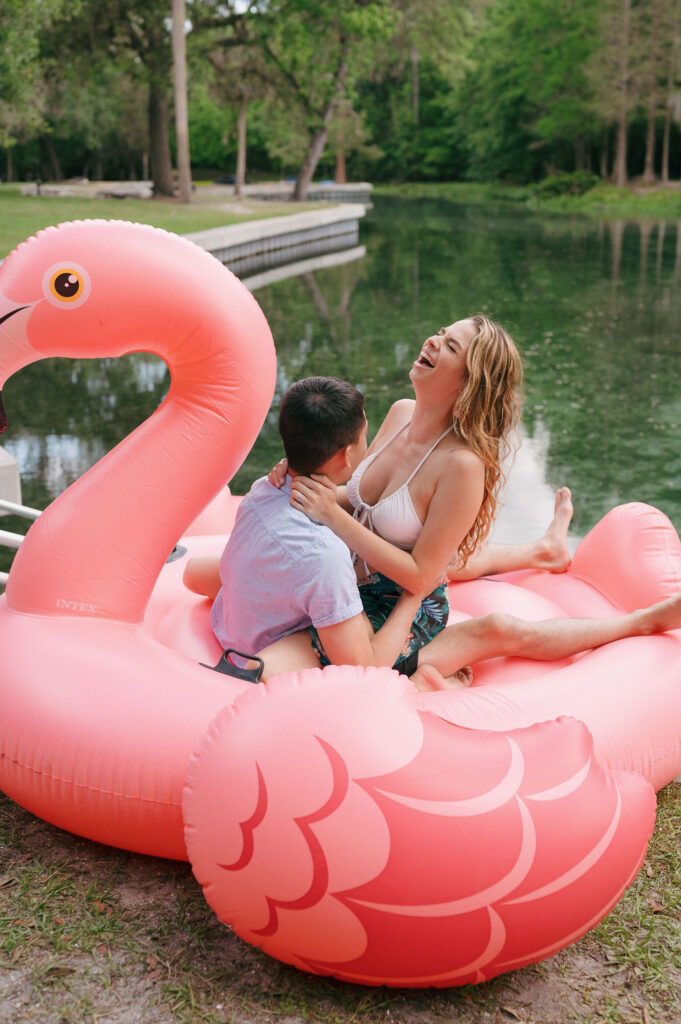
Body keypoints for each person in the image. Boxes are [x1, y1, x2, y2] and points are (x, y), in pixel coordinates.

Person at [187, 370, 681, 690]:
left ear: (467, 382)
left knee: (482, 608)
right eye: (441, 333)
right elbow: (351, 490)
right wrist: (298, 473)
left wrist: (322, 501)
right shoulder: (401, 414)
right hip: (377, 567)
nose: (433, 342)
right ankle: (543, 550)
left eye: (449, 346)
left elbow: (422, 570)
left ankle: (639, 620)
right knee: (444, 559)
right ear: (351, 449)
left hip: (403, 581)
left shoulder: (461, 465)